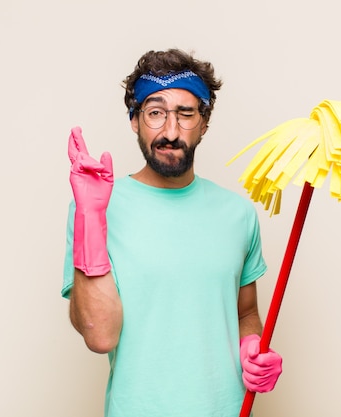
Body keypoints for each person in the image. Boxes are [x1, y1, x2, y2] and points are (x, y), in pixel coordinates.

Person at [62, 48, 282, 417]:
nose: (170, 131)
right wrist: (90, 215)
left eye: (185, 114)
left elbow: (246, 314)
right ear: (135, 120)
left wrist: (253, 346)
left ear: (204, 122)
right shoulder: (96, 207)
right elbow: (99, 336)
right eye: (155, 112)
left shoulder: (238, 213)